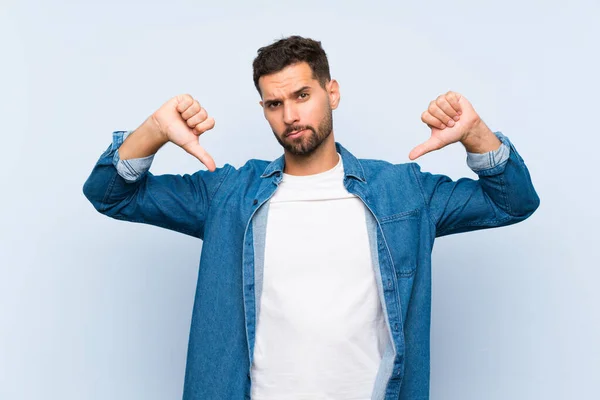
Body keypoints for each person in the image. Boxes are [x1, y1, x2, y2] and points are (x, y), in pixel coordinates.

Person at [82, 36, 539, 400]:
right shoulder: (227, 195)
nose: (291, 115)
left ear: (331, 92)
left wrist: (476, 134)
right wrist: (155, 130)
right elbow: (110, 195)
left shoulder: (404, 191)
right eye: (274, 104)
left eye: (302, 95)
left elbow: (512, 202)